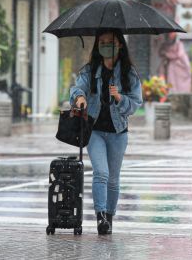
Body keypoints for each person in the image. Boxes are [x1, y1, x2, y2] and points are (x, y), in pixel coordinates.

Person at [70, 29, 142, 235]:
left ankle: (109, 217)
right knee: (100, 173)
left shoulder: (129, 74)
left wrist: (119, 98)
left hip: (118, 133)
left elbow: (136, 104)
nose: (105, 45)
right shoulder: (90, 70)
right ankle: (100, 216)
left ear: (119, 44)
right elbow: (76, 88)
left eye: (110, 41)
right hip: (95, 132)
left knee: (113, 178)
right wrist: (79, 98)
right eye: (101, 41)